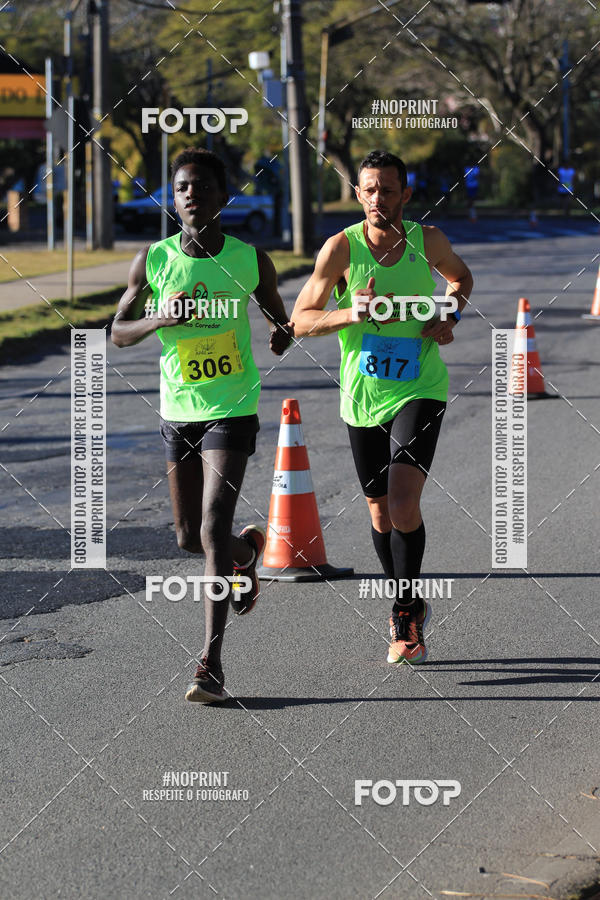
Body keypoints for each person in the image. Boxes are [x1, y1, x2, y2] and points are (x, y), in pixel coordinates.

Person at [111, 148, 293, 702]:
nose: (190, 195)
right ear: (174, 197)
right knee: (191, 537)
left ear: (221, 196)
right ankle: (246, 556)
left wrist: (281, 333)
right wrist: (158, 319)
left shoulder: (249, 259)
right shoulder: (155, 260)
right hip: (178, 409)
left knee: (212, 526)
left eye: (201, 187)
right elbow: (117, 330)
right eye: (181, 187)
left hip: (231, 405)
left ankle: (210, 663)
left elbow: (278, 315)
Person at [291, 149, 473, 665]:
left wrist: (449, 316)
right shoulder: (340, 249)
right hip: (361, 394)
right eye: (369, 189)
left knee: (400, 503)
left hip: (420, 387)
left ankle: (402, 614)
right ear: (358, 194)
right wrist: (351, 312)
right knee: (378, 512)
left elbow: (460, 280)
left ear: (405, 195)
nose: (378, 199)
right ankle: (410, 599)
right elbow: (301, 320)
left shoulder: (427, 241)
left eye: (388, 190)